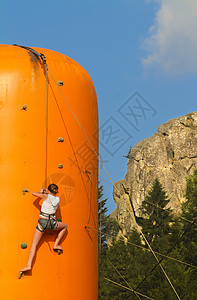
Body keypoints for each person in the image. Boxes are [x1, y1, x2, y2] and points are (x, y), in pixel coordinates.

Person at [20, 183, 67, 274]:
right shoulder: (58, 199)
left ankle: (28, 265)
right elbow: (52, 197)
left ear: (48, 191)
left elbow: (34, 193)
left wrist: (41, 191)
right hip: (52, 224)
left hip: (42, 223)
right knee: (64, 226)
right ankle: (56, 244)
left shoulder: (45, 196)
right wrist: (47, 192)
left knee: (34, 244)